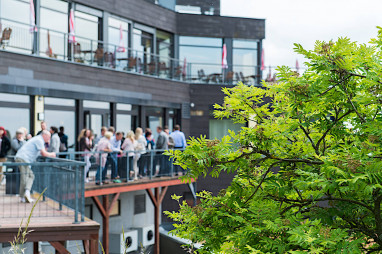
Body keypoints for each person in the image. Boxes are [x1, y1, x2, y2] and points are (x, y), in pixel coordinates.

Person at [15, 130, 56, 203]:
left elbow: (41, 152)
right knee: (26, 177)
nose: (49, 139)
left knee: (29, 176)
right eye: (49, 137)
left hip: (23, 158)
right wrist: (52, 154)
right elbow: (43, 153)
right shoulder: (39, 140)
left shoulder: (38, 139)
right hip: (23, 158)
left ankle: (25, 194)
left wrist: (47, 145)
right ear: (44, 135)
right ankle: (25, 194)